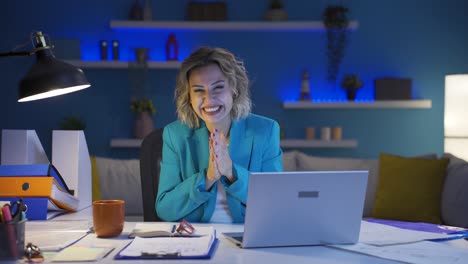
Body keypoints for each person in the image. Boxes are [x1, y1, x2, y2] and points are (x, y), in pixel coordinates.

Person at [156, 46, 283, 223]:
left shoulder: (266, 130)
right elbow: (165, 209)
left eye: (218, 87)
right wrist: (207, 178)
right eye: (199, 90)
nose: (209, 99)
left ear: (234, 89)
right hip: (194, 238)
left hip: (246, 236)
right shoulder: (174, 135)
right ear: (189, 97)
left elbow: (277, 202)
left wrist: (231, 172)